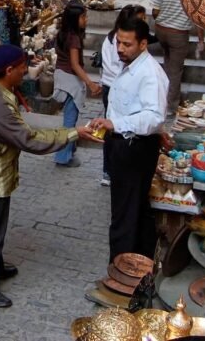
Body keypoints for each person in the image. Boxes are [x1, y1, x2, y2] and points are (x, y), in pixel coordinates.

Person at [0, 45, 102, 308]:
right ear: (9, 70)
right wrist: (73, 133)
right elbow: (31, 140)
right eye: (22, 68)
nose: (26, 72)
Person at [87, 16, 168, 262]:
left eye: (127, 44)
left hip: (135, 148)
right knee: (135, 210)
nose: (120, 49)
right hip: (123, 145)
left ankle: (120, 272)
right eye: (118, 43)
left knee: (124, 215)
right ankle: (140, 265)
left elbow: (154, 117)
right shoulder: (131, 66)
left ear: (143, 44)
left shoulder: (149, 74)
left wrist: (116, 124)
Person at [97, 4, 148, 188]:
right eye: (140, 19)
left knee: (119, 128)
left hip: (117, 85)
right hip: (112, 87)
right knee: (113, 130)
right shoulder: (112, 41)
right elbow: (112, 66)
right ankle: (109, 170)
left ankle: (116, 169)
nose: (121, 48)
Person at [150, 0, 204, 114]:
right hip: (178, 35)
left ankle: (162, 98)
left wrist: (162, 19)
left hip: (161, 31)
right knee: (175, 72)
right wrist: (201, 40)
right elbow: (198, 18)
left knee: (168, 65)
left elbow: (155, 11)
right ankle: (170, 107)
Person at [52, 3, 103, 167]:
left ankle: (69, 150)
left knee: (69, 118)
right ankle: (63, 156)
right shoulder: (74, 38)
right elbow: (75, 64)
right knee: (69, 121)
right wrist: (90, 83)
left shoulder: (64, 34)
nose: (86, 20)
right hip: (70, 81)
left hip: (62, 76)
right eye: (83, 17)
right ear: (75, 19)